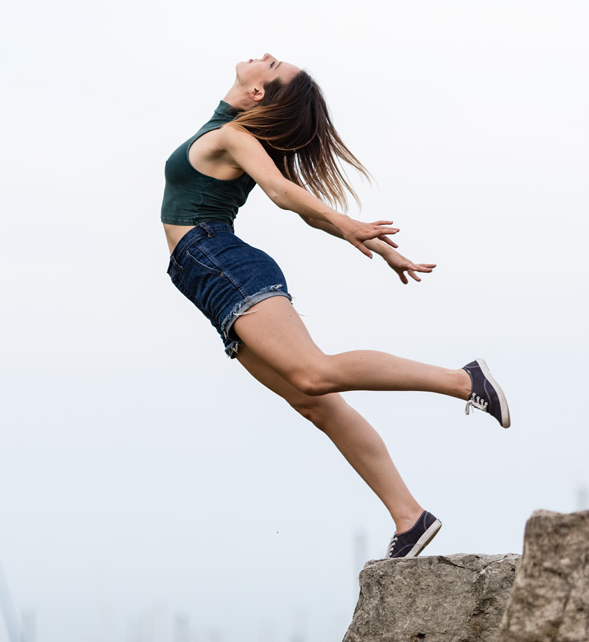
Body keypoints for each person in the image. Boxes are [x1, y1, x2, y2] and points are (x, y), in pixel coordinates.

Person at [161, 53, 510, 559]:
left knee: (316, 373)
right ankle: (411, 518)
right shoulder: (231, 132)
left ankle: (463, 380)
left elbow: (284, 193)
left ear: (259, 92)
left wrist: (353, 229)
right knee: (313, 399)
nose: (265, 56)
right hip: (204, 276)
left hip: (219, 261)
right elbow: (306, 207)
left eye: (273, 65)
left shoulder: (233, 136)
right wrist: (383, 249)